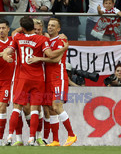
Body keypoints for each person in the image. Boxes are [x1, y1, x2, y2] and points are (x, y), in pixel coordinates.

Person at [3, 16, 63, 146]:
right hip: (37, 78)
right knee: (36, 109)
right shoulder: (43, 39)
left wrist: (6, 56)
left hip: (22, 77)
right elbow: (51, 55)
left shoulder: (18, 38)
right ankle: (31, 138)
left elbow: (9, 48)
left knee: (17, 108)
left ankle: (9, 137)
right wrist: (65, 47)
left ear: (23, 28)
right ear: (33, 28)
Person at [28, 18, 76, 147]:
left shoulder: (61, 40)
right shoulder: (47, 40)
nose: (50, 27)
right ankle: (55, 140)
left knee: (57, 106)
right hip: (47, 79)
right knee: (50, 109)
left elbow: (56, 60)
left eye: (53, 26)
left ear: (58, 29)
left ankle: (71, 134)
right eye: (49, 25)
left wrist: (38, 58)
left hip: (58, 77)